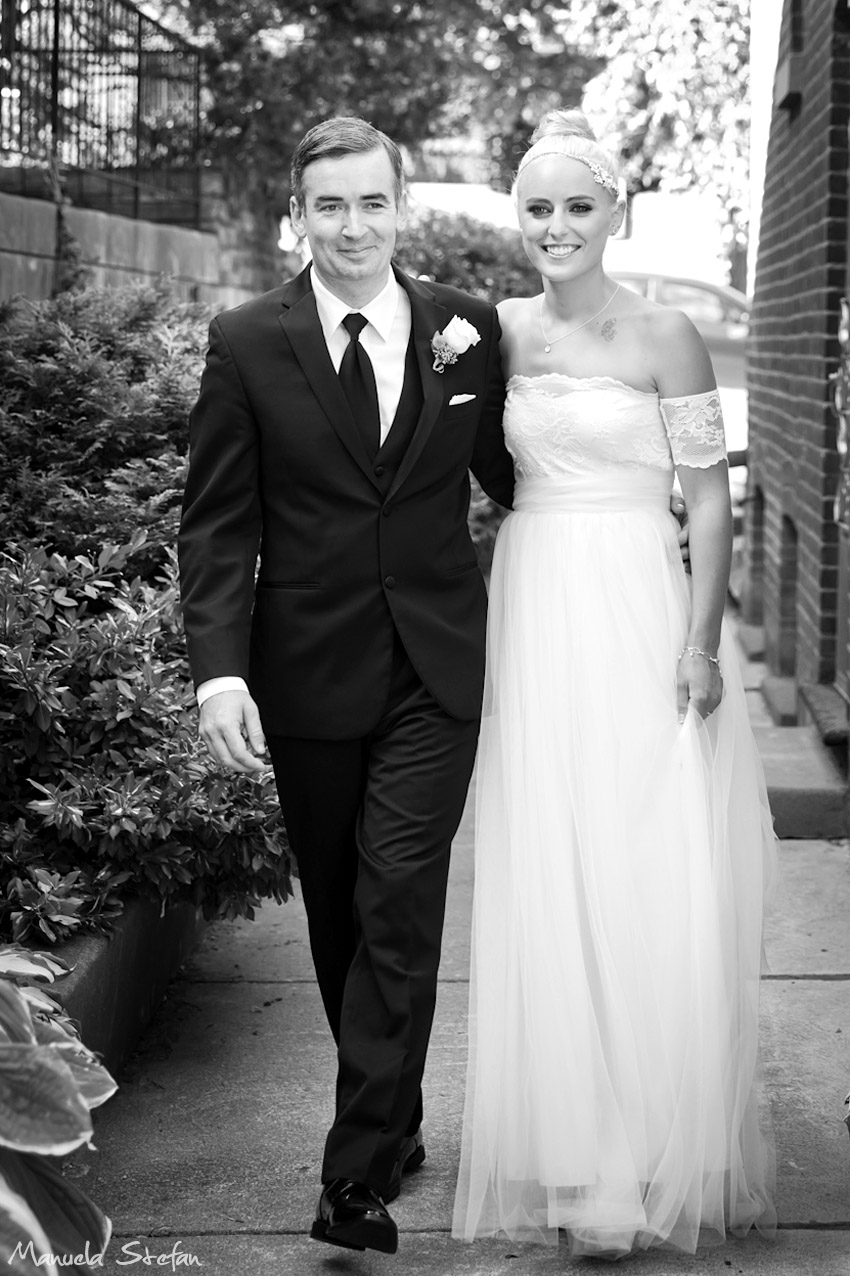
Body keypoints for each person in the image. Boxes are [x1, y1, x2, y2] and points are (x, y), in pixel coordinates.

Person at [178, 117, 515, 1256]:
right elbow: (218, 523)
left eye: (371, 203)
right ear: (298, 214)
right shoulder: (247, 342)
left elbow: (515, 473)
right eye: (330, 206)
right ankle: (395, 1109)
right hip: (306, 675)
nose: (352, 226)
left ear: (399, 206)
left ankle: (352, 1176)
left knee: (398, 907)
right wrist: (221, 672)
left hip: (435, 668)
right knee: (339, 920)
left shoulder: (465, 332)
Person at [452, 110, 777, 1258]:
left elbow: (708, 497)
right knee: (553, 850)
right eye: (536, 208)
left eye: (577, 207)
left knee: (646, 849)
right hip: (534, 598)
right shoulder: (492, 332)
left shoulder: (667, 334)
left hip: (639, 600)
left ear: (616, 214)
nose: (555, 227)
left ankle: (651, 1136)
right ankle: (578, 1147)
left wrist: (696, 642)